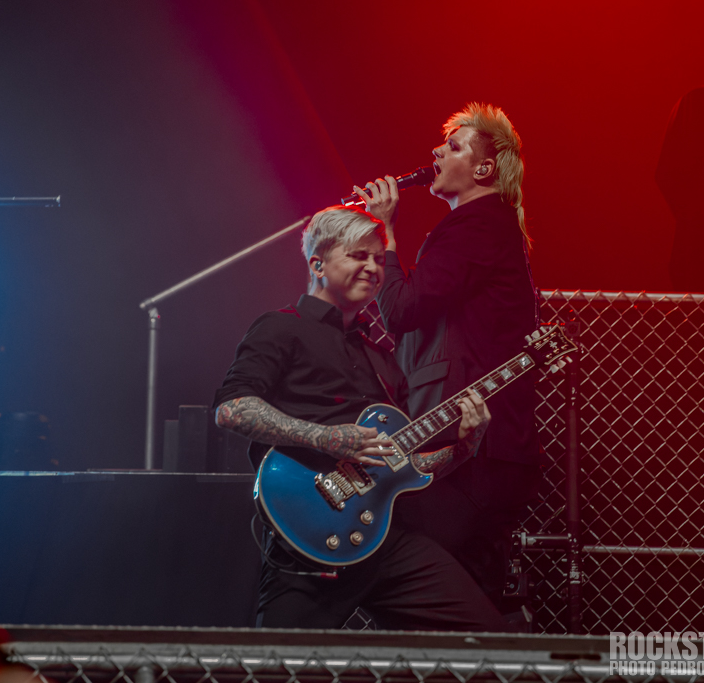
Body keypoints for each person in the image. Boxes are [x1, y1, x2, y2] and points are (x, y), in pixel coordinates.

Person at [213, 205, 505, 631]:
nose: (373, 267)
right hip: (308, 537)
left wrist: (465, 447)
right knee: (280, 661)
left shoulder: (381, 357)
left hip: (385, 540)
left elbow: (407, 467)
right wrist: (326, 438)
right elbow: (231, 408)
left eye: (378, 258)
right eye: (358, 256)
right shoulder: (280, 328)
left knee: (487, 635)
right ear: (318, 265)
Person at [359, 102, 540, 610]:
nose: (437, 152)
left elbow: (402, 308)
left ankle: (489, 641)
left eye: (453, 146)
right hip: (478, 444)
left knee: (426, 574)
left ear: (483, 169)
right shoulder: (482, 226)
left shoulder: (476, 226)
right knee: (464, 584)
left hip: (476, 446)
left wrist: (385, 232)